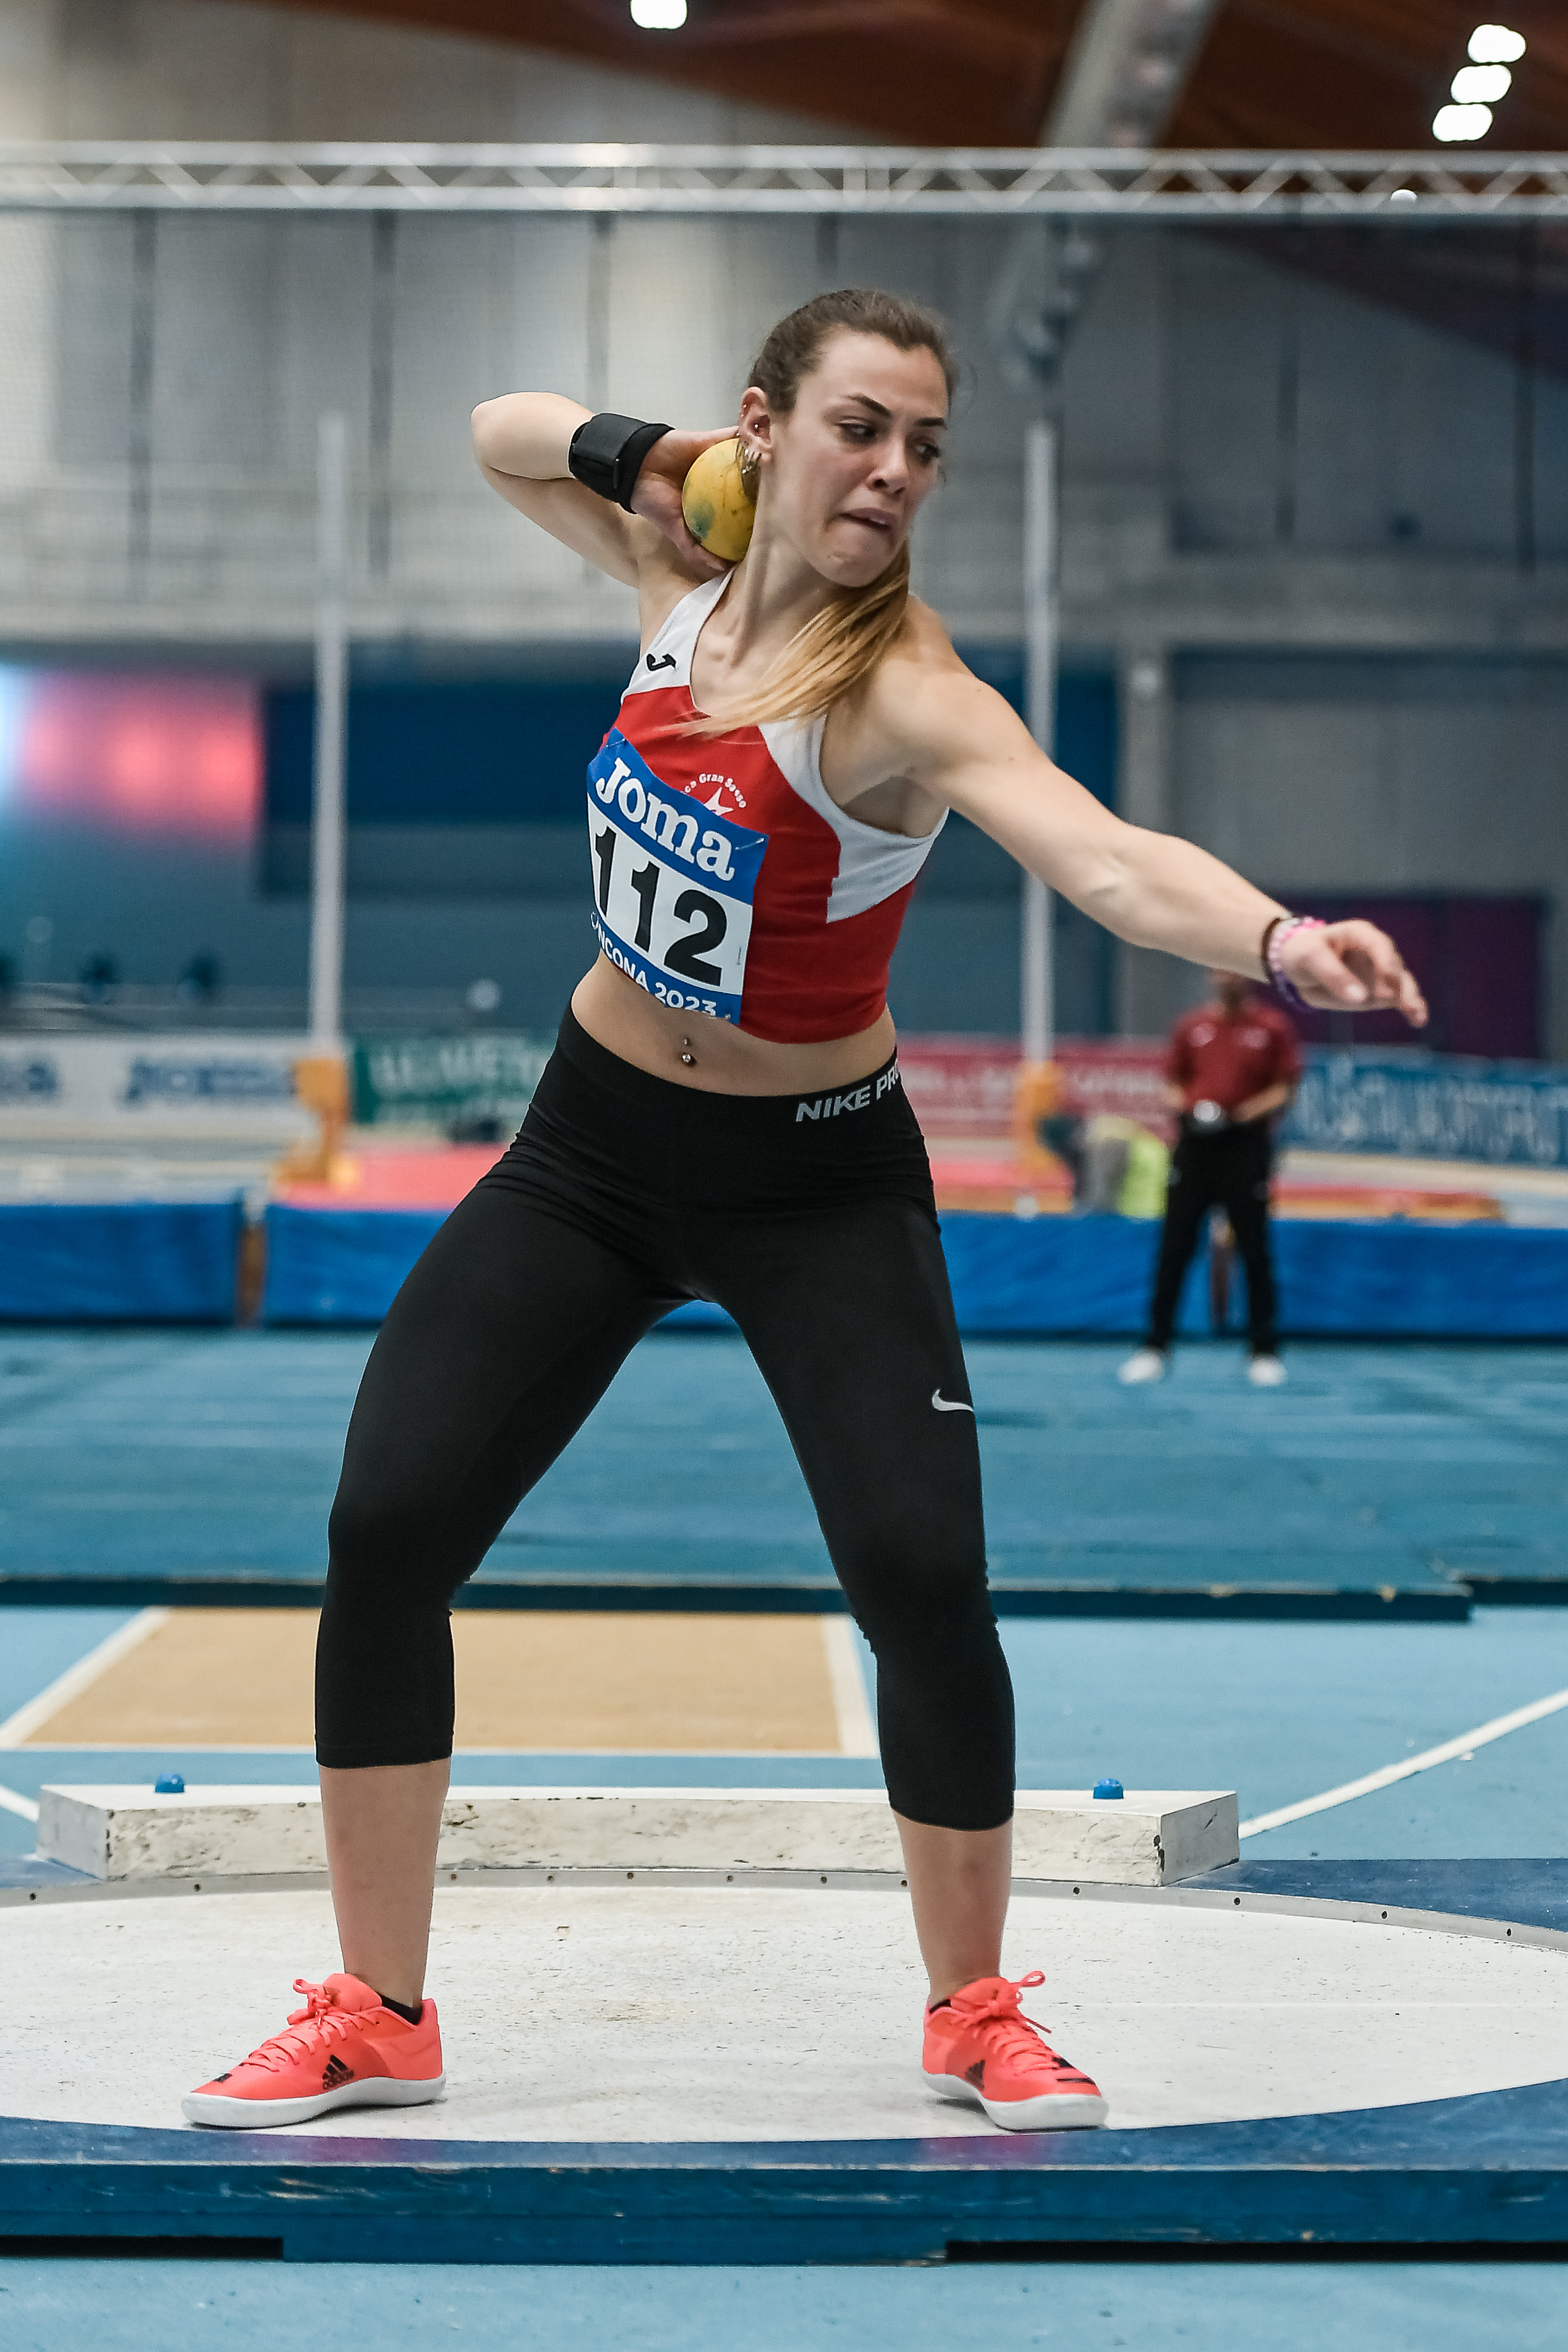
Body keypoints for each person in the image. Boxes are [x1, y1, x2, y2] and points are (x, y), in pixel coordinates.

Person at [182, 288, 1426, 2138]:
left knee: (921, 1578)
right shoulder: (672, 574)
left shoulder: (902, 688)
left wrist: (1276, 938)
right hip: (590, 1150)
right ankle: (379, 2012)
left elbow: (1101, 856)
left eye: (925, 445)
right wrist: (662, 461)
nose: (896, 470)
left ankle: (974, 2009)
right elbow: (501, 431)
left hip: (816, 1180)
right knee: (384, 1526)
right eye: (859, 427)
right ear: (766, 425)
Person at [1119, 971, 1302, 1389]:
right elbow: (1171, 1083)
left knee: (1254, 1250)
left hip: (1245, 1148)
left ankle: (1263, 1350)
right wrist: (1190, 1110)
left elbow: (1283, 1089)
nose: (1226, 979)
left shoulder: (1271, 1028)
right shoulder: (1192, 1027)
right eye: (1219, 972)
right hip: (1195, 1148)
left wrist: (1240, 1116)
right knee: (1174, 1248)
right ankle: (1155, 1347)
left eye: (1233, 972)